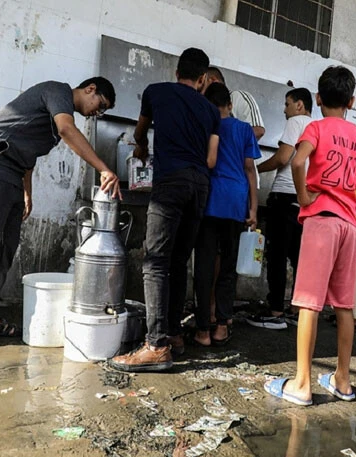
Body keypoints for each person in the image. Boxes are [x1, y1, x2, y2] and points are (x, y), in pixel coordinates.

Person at [0, 77, 120, 353]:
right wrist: (103, 168)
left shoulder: (53, 118)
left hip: (11, 172)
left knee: (5, 246)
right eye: (100, 105)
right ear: (90, 89)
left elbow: (30, 153)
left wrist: (28, 192)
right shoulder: (57, 92)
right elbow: (66, 130)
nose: (97, 113)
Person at [263, 65, 356, 406]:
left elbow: (297, 162)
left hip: (322, 221)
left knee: (308, 303)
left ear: (319, 98)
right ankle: (342, 379)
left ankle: (301, 383)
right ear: (352, 102)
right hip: (347, 225)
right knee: (344, 306)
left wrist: (305, 196)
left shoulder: (315, 127)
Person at [108, 48, 220, 372]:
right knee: (179, 260)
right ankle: (173, 333)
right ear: (202, 80)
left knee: (155, 262)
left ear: (177, 71)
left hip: (171, 182)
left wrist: (142, 145)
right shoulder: (211, 111)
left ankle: (156, 345)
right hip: (200, 185)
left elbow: (140, 131)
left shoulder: (156, 92)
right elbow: (211, 156)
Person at [192, 82, 260, 346]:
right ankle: (222, 325)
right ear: (230, 105)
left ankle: (202, 331)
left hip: (210, 201)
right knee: (228, 267)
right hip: (236, 203)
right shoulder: (243, 129)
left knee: (205, 266)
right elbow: (249, 169)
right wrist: (253, 209)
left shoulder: (207, 128)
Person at [249, 88, 314, 330]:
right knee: (299, 257)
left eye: (287, 104)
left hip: (285, 197)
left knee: (277, 255)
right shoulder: (317, 126)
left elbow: (283, 157)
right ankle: (297, 309)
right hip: (303, 199)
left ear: (299, 105)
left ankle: (275, 309)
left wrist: (255, 169)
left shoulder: (296, 121)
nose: (284, 109)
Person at [204, 67, 265, 141]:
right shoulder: (205, 106)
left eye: (202, 84)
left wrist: (230, 143)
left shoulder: (238, 96)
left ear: (213, 80)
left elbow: (258, 130)